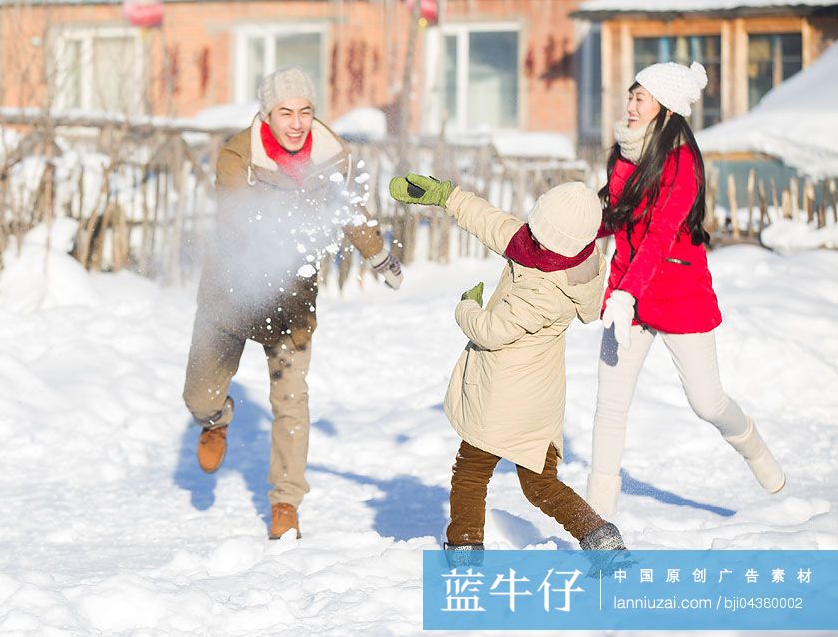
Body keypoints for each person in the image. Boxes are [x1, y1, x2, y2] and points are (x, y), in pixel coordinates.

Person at [182, 67, 404, 540]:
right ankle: (215, 421)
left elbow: (348, 210)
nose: (298, 123)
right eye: (286, 112)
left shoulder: (329, 156)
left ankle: (286, 501)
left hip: (291, 299)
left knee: (291, 402)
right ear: (267, 113)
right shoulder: (239, 156)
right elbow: (237, 221)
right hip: (231, 293)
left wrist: (379, 256)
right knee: (198, 396)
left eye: (305, 111)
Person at [585, 62, 785, 516]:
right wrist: (563, 232)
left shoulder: (682, 164)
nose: (630, 106)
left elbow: (659, 237)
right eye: (630, 96)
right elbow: (613, 218)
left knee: (707, 402)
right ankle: (598, 520)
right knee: (610, 403)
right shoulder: (625, 153)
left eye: (640, 98)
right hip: (626, 295)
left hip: (677, 294)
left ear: (667, 109)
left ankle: (751, 443)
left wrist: (626, 295)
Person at [391, 174, 626, 552]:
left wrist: (467, 306)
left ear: (552, 237)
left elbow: (491, 331)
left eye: (538, 228)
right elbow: (495, 224)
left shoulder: (543, 290)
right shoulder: (570, 258)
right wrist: (448, 197)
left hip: (504, 395)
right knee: (540, 484)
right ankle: (600, 536)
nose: (529, 231)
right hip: (541, 399)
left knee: (470, 472)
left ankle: (464, 549)